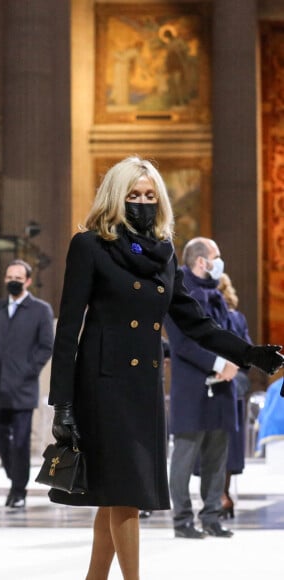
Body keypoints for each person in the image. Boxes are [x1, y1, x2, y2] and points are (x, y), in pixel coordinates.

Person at [47, 156, 283, 579]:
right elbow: (67, 331)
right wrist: (61, 404)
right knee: (127, 493)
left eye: (150, 196)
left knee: (118, 493)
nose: (142, 202)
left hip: (143, 387)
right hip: (102, 388)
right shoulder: (90, 245)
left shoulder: (163, 253)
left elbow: (194, 321)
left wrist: (249, 354)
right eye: (134, 195)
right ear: (116, 197)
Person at [166, 239, 251, 539]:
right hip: (193, 387)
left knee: (217, 456)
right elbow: (183, 343)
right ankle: (182, 520)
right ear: (201, 262)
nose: (220, 262)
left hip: (223, 388)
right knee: (185, 455)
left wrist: (243, 356)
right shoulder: (178, 293)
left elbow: (229, 333)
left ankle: (212, 516)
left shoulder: (215, 295)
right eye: (217, 257)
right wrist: (218, 364)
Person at [0, 259, 54, 509]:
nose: (12, 281)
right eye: (9, 277)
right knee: (1, 437)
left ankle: (18, 490)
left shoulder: (40, 309)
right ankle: (14, 477)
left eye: (17, 277)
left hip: (23, 386)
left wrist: (29, 370)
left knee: (20, 441)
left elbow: (46, 346)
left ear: (27, 281)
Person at [217, 273, 252, 518]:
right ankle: (223, 494)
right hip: (236, 382)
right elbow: (248, 353)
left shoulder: (209, 316)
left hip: (215, 380)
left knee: (214, 441)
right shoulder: (237, 318)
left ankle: (218, 496)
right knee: (229, 439)